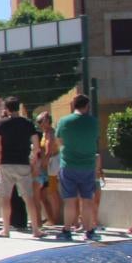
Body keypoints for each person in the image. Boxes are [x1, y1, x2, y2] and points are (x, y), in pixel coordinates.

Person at [0, 97, 40, 239]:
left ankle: (6, 229)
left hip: (6, 164)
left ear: (6, 109)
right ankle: (36, 230)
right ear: (19, 107)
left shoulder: (1, 124)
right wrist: (33, 159)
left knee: (5, 198)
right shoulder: (28, 123)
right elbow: (36, 145)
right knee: (28, 198)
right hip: (23, 163)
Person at [54, 94, 99, 242]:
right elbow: (95, 139)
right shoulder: (93, 122)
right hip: (88, 166)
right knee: (87, 200)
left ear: (74, 105)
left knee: (70, 201)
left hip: (68, 165)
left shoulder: (64, 121)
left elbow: (59, 140)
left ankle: (67, 230)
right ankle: (88, 231)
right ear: (87, 106)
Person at [31, 110, 61, 235]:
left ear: (47, 121)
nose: (39, 124)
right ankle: (51, 218)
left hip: (51, 165)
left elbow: (48, 151)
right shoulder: (45, 133)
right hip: (49, 164)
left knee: (52, 192)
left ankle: (55, 219)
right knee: (45, 194)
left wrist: (42, 164)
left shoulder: (49, 133)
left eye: (40, 121)